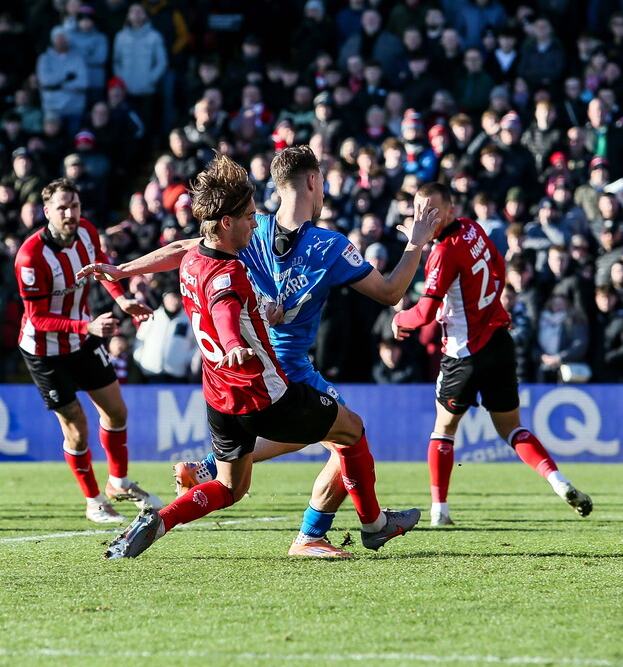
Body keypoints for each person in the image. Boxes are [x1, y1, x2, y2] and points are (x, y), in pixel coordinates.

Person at [83, 145, 439, 559]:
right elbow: (392, 291)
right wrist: (416, 244)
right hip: (277, 372)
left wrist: (125, 269)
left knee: (276, 463)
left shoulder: (251, 232)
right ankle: (332, 531)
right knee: (348, 436)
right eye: (322, 181)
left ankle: (187, 496)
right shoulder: (327, 246)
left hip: (231, 382)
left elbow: (186, 249)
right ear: (312, 181)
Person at [391, 182, 593, 527]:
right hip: (499, 341)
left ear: (450, 210)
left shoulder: (443, 253)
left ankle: (440, 511)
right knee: (512, 428)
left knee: (443, 429)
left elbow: (424, 313)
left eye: (432, 210)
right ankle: (559, 482)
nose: (423, 216)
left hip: (464, 353)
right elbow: (498, 268)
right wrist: (485, 307)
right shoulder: (472, 228)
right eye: (419, 208)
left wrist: (399, 318)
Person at [14, 178, 161, 523]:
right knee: (77, 427)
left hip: (81, 340)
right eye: (62, 208)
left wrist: (122, 299)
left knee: (117, 412)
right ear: (47, 212)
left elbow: (101, 267)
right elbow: (36, 318)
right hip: (44, 350)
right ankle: (94, 501)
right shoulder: (31, 256)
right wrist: (87, 326)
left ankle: (118, 483)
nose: (70, 213)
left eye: (74, 206)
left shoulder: (87, 232)